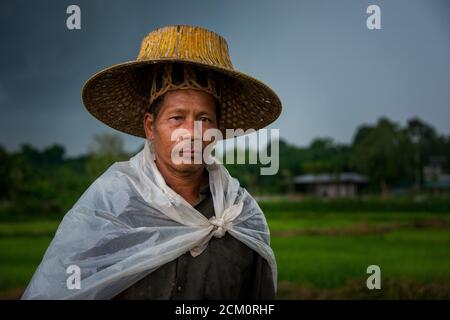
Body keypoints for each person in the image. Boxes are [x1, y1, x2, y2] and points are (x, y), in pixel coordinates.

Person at [22, 25, 282, 300]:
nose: (191, 133)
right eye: (177, 118)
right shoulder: (110, 206)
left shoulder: (238, 214)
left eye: (204, 119)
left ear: (218, 129)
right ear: (150, 126)